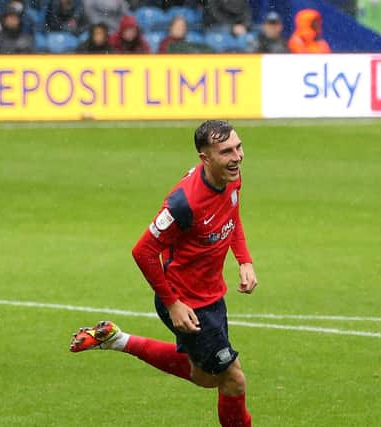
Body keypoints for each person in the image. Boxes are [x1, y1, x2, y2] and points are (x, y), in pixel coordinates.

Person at [70, 120, 258, 427]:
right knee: (234, 378)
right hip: (185, 301)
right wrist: (173, 304)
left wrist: (244, 260)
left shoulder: (231, 176)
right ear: (205, 158)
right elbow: (142, 251)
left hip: (211, 294)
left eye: (238, 147)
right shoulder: (183, 203)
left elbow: (232, 214)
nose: (237, 156)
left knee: (206, 377)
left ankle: (119, 340)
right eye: (226, 151)